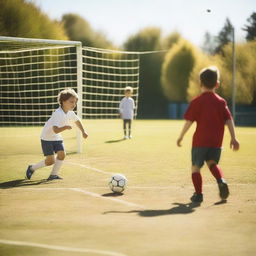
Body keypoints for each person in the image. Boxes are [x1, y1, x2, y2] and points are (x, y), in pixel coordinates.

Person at [177, 66, 239, 203]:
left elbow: (189, 121)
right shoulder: (221, 102)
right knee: (212, 162)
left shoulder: (197, 101)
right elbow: (229, 120)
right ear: (217, 84)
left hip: (200, 141)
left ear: (200, 84)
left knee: (195, 168)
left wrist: (181, 136)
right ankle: (220, 180)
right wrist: (234, 138)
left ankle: (198, 195)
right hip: (216, 142)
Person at [25, 88, 88, 180]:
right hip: (47, 138)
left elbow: (77, 120)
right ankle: (32, 168)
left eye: (75, 102)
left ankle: (53, 175)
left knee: (62, 154)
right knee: (50, 161)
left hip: (56, 137)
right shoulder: (57, 113)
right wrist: (65, 127)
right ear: (63, 101)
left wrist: (83, 131)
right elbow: (55, 130)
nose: (74, 104)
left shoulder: (70, 113)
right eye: (71, 102)